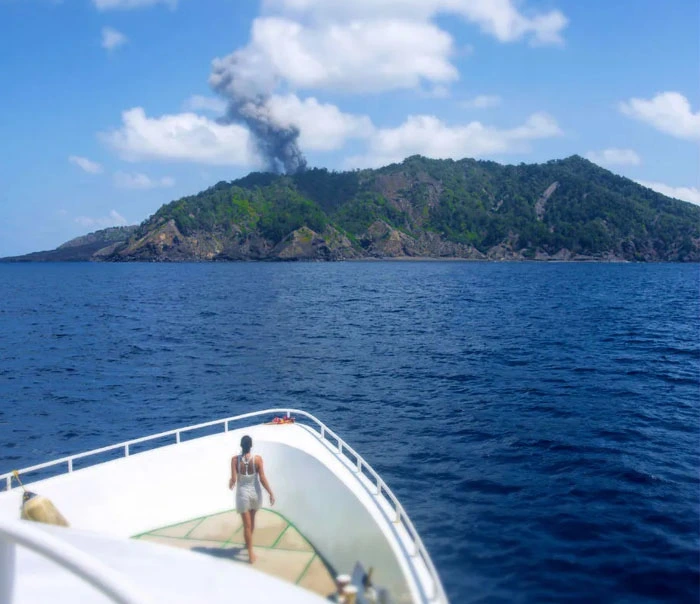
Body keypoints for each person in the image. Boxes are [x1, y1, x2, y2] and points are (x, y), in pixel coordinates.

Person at [228, 435, 275, 563]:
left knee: (247, 526)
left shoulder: (234, 460)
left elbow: (234, 479)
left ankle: (250, 553)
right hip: (255, 493)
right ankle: (249, 549)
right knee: (251, 523)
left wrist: (230, 482)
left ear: (241, 446)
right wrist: (270, 492)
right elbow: (262, 478)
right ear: (251, 446)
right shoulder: (257, 460)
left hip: (243, 494)